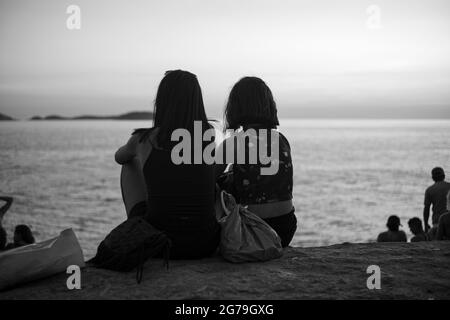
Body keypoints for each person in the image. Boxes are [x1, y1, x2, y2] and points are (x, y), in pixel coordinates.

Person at [115, 70, 220, 259]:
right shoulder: (208, 134)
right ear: (197, 102)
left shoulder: (143, 139)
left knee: (129, 164)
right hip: (206, 243)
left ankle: (140, 225)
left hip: (160, 243)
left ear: (161, 102)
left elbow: (119, 157)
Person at [216, 77, 297, 247]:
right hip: (286, 227)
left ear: (235, 107)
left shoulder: (235, 142)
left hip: (254, 229)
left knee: (216, 184)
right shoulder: (281, 139)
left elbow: (205, 181)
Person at [423, 167, 450, 239]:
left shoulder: (429, 190)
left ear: (433, 178)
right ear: (444, 176)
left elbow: (426, 209)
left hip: (437, 222)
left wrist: (425, 224)